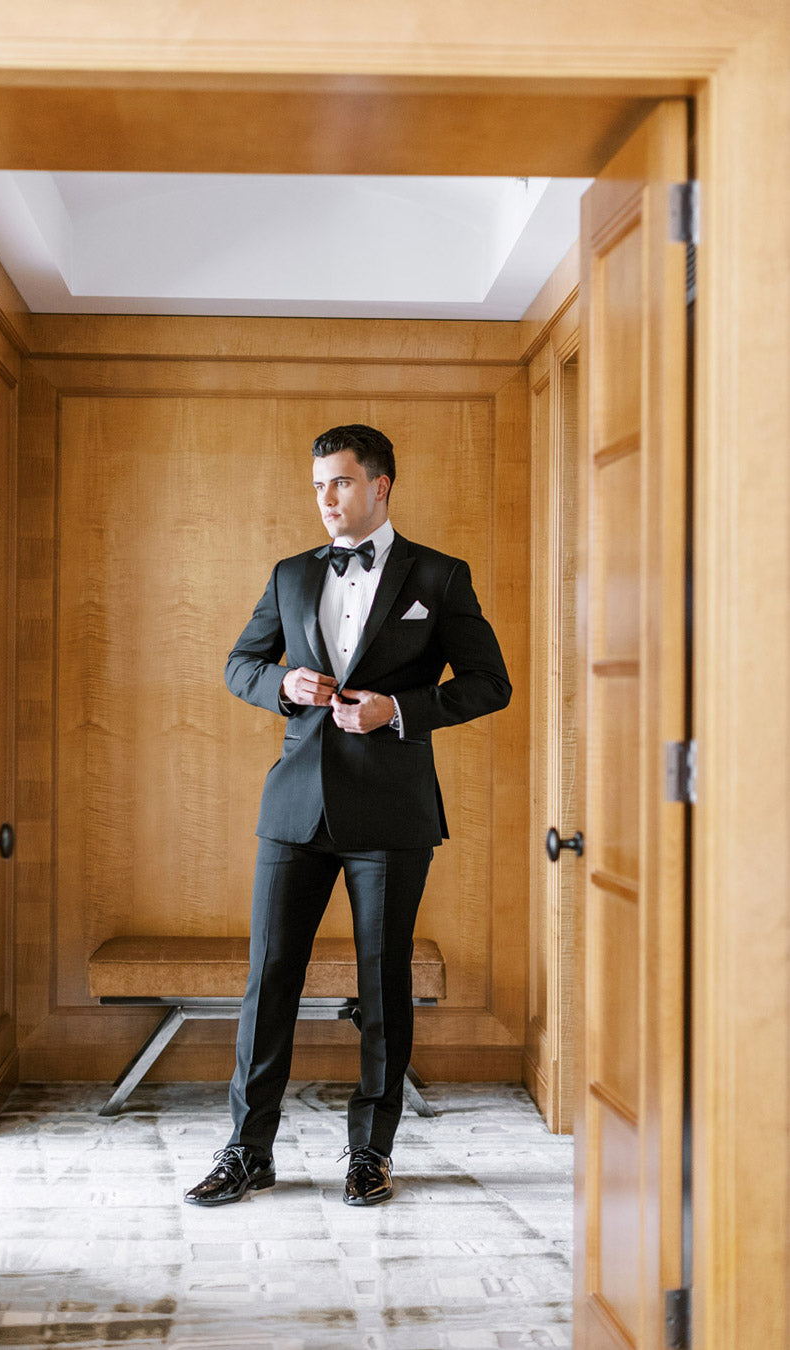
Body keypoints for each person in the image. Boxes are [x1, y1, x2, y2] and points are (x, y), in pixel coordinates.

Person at [184, 424, 511, 1208]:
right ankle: (247, 1150)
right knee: (270, 979)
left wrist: (398, 709)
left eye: (340, 482)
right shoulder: (291, 574)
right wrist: (282, 686)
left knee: (382, 985)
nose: (326, 499)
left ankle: (371, 1153)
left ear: (379, 485)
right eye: (318, 486)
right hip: (294, 805)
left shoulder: (439, 575)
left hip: (392, 810)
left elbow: (489, 682)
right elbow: (239, 664)